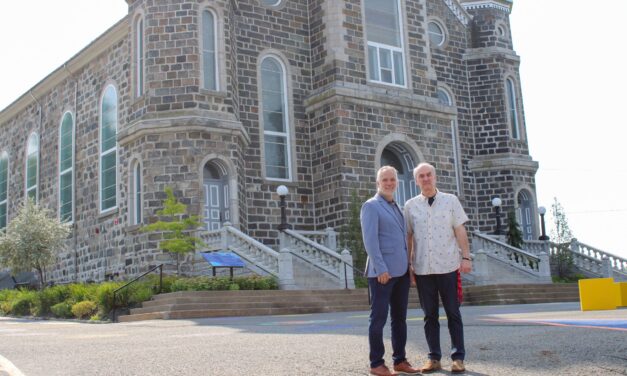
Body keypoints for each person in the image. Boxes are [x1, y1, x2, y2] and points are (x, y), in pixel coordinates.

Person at [404, 162, 472, 374]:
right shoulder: (410, 206)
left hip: (448, 265)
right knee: (429, 315)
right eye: (421, 176)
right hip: (424, 268)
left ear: (435, 177)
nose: (425, 179)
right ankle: (434, 358)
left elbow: (460, 230)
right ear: (416, 180)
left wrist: (466, 257)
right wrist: (409, 265)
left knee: (453, 312)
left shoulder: (450, 201)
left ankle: (458, 358)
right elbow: (409, 236)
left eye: (428, 175)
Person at [361, 166, 420, 376]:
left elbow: (404, 241)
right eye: (384, 180)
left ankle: (400, 360)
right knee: (378, 319)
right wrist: (380, 268)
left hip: (402, 272)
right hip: (382, 273)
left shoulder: (398, 207)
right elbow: (370, 241)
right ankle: (376, 363)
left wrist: (409, 266)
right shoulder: (371, 206)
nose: (389, 183)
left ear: (397, 182)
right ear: (378, 183)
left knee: (399, 318)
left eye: (392, 180)